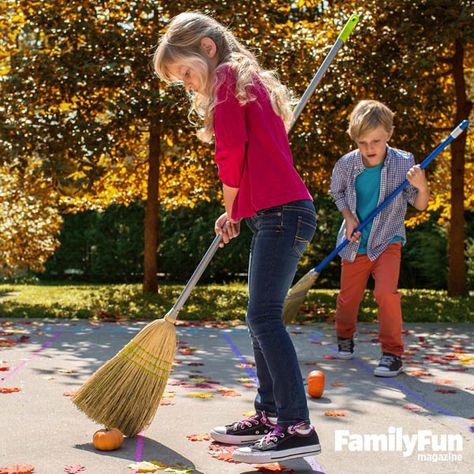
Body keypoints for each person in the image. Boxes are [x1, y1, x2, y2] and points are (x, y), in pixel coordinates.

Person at [154, 11, 320, 464]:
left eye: (186, 72)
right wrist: (237, 211)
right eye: (179, 81)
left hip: (284, 215)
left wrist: (231, 204)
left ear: (207, 48)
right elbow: (258, 163)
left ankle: (296, 425)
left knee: (264, 316)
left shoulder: (227, 78)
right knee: (259, 317)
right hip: (278, 213)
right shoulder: (245, 81)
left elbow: (231, 152)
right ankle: (269, 415)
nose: (187, 84)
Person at [330, 100, 430, 377]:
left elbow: (420, 204)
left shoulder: (404, 163)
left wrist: (422, 186)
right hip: (354, 242)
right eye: (362, 142)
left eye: (375, 141)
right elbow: (336, 193)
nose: (369, 149)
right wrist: (349, 217)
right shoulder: (346, 164)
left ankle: (392, 353)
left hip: (388, 240)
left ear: (389, 134)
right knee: (348, 299)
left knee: (386, 293)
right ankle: (344, 335)